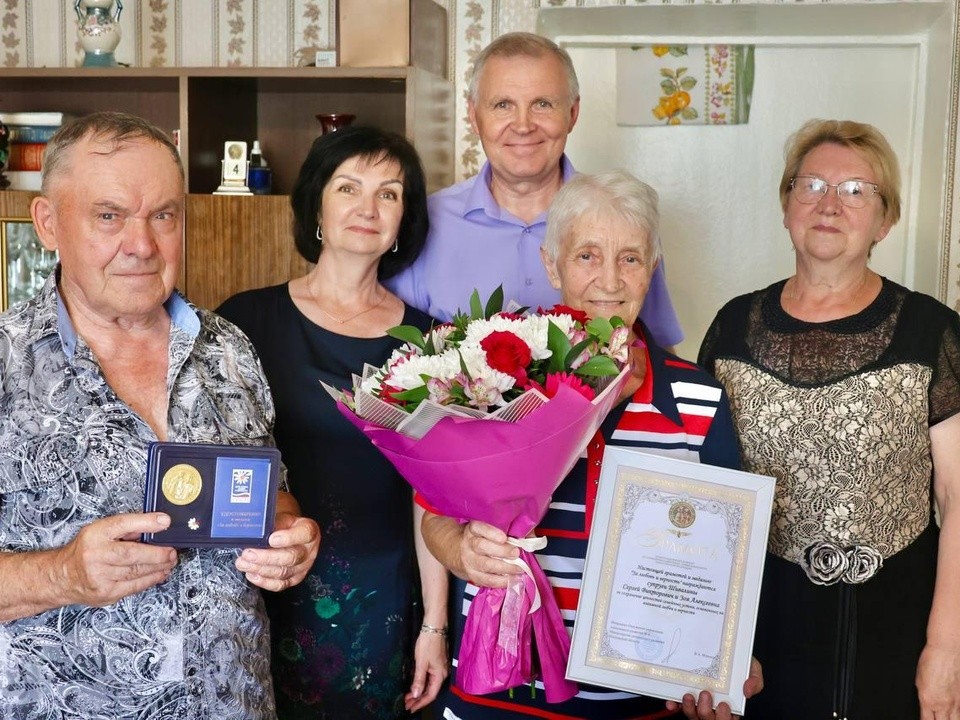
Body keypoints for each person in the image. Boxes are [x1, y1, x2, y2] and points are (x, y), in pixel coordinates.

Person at [0, 111, 321, 718]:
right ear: (47, 224)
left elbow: (270, 497)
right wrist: (61, 574)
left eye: (163, 216)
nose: (142, 245)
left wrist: (291, 538)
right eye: (109, 216)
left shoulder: (229, 348)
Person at [420, 170, 763, 720]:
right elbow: (433, 513)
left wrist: (728, 654)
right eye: (587, 256)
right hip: (498, 692)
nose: (610, 279)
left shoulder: (698, 400)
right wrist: (459, 549)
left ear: (651, 270)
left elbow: (731, 557)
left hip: (638, 703)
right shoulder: (491, 376)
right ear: (551, 265)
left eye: (630, 258)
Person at [698, 119, 960, 719]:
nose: (829, 203)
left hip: (897, 618)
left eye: (856, 191)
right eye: (811, 183)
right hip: (762, 620)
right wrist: (710, 643)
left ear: (885, 220)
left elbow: (958, 492)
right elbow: (706, 491)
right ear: (787, 203)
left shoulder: (931, 332)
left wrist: (948, 647)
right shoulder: (732, 328)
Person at [217, 126, 449, 719]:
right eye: (349, 187)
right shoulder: (243, 322)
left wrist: (436, 628)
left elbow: (437, 496)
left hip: (383, 599)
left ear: (404, 219)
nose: (368, 208)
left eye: (389, 194)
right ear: (317, 203)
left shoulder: (430, 343)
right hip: (261, 588)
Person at [387, 32, 684, 350]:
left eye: (543, 104)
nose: (523, 125)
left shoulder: (623, 219)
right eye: (503, 105)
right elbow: (394, 358)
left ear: (572, 113)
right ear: (474, 116)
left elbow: (655, 351)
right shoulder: (422, 221)